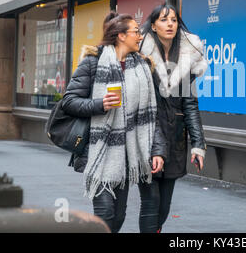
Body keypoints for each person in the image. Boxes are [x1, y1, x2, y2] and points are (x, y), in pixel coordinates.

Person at [61, 12, 167, 233]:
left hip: (127, 154)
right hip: (98, 152)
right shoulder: (93, 62)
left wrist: (157, 151)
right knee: (106, 214)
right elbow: (69, 101)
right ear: (120, 35)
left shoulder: (143, 68)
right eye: (136, 32)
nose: (140, 36)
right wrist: (100, 104)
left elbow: (149, 115)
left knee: (118, 216)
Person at [138, 3, 208, 233]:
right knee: (151, 200)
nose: (170, 24)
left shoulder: (187, 57)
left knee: (164, 205)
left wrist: (198, 144)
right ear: (154, 26)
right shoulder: (141, 56)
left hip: (175, 141)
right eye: (164, 20)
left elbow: (190, 106)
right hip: (146, 135)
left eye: (174, 20)